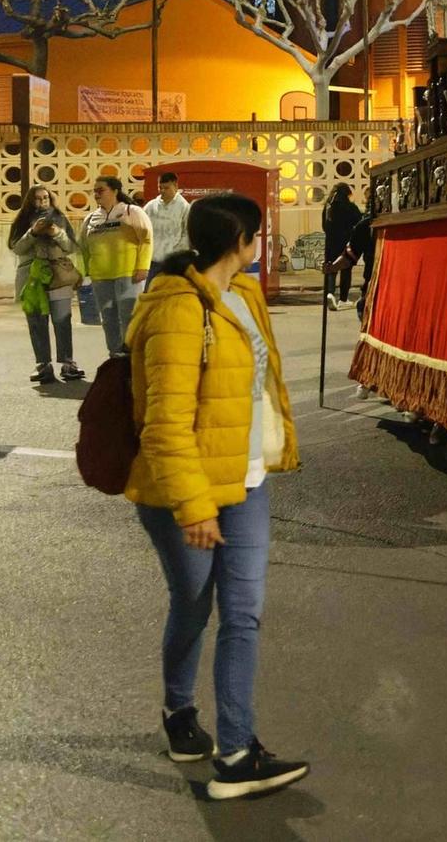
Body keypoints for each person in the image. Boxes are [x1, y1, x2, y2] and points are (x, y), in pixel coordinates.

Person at [125, 193, 309, 800]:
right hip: (189, 490)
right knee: (194, 603)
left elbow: (260, 386)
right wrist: (194, 505)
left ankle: (235, 750)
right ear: (243, 242)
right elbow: (164, 424)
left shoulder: (247, 296)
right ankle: (179, 711)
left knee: (244, 614)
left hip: (249, 481)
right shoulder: (178, 309)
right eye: (259, 235)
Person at [9, 187, 86, 385]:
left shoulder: (60, 217)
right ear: (30, 201)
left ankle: (68, 364)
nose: (42, 202)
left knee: (62, 321)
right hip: (31, 278)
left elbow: (71, 247)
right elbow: (16, 248)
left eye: (46, 198)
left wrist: (57, 233)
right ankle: (43, 365)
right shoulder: (22, 220)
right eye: (37, 199)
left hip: (58, 275)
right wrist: (32, 233)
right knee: (36, 323)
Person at [83, 175, 154, 358]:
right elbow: (83, 247)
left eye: (101, 190)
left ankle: (133, 354)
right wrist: (86, 270)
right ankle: (115, 354)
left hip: (128, 273)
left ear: (115, 191)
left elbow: (146, 239)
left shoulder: (132, 211)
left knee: (129, 316)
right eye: (95, 191)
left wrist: (143, 267)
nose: (97, 194)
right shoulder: (91, 218)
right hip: (100, 276)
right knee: (108, 318)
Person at [320, 183, 364, 310]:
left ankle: (330, 294)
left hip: (330, 243)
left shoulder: (328, 207)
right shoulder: (349, 207)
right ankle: (343, 299)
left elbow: (324, 226)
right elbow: (359, 222)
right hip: (346, 243)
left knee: (331, 269)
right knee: (346, 270)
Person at [144, 172, 191, 276]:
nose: (162, 191)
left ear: (176, 186)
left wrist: (176, 254)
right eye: (160, 188)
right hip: (152, 260)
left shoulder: (184, 207)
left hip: (172, 261)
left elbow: (187, 233)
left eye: (166, 188)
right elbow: (143, 229)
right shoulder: (150, 206)